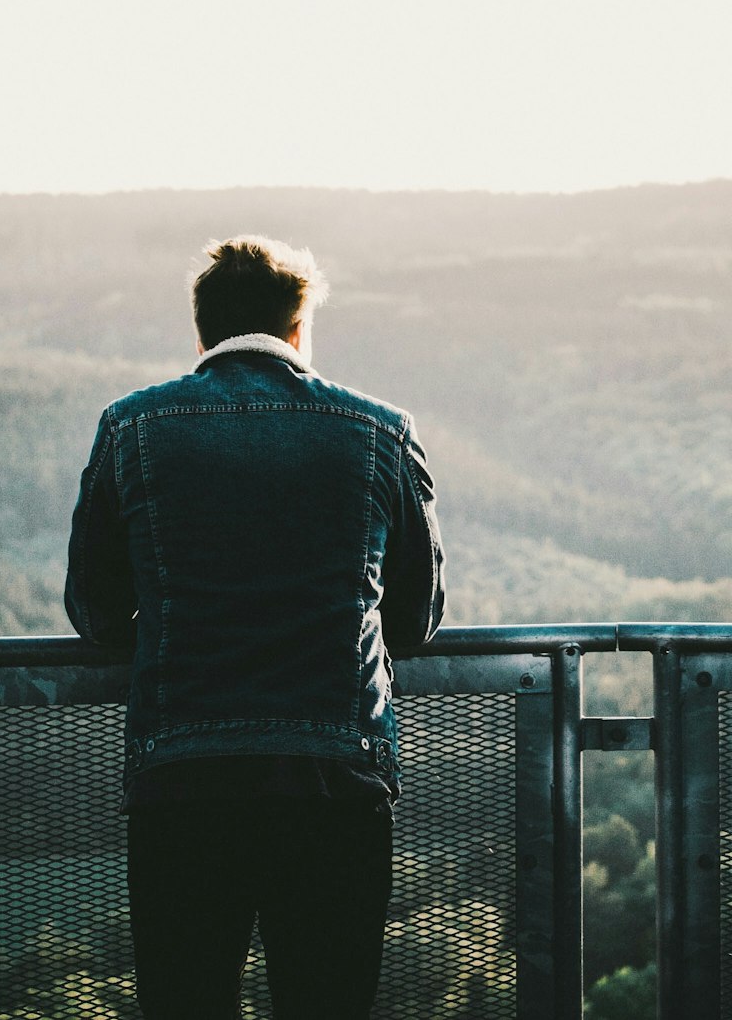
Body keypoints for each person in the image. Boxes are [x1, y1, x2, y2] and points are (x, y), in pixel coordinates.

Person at [65, 234, 445, 1020]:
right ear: (298, 330)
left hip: (185, 782)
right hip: (334, 782)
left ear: (201, 332)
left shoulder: (131, 427)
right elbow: (416, 618)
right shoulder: (380, 432)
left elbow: (97, 615)